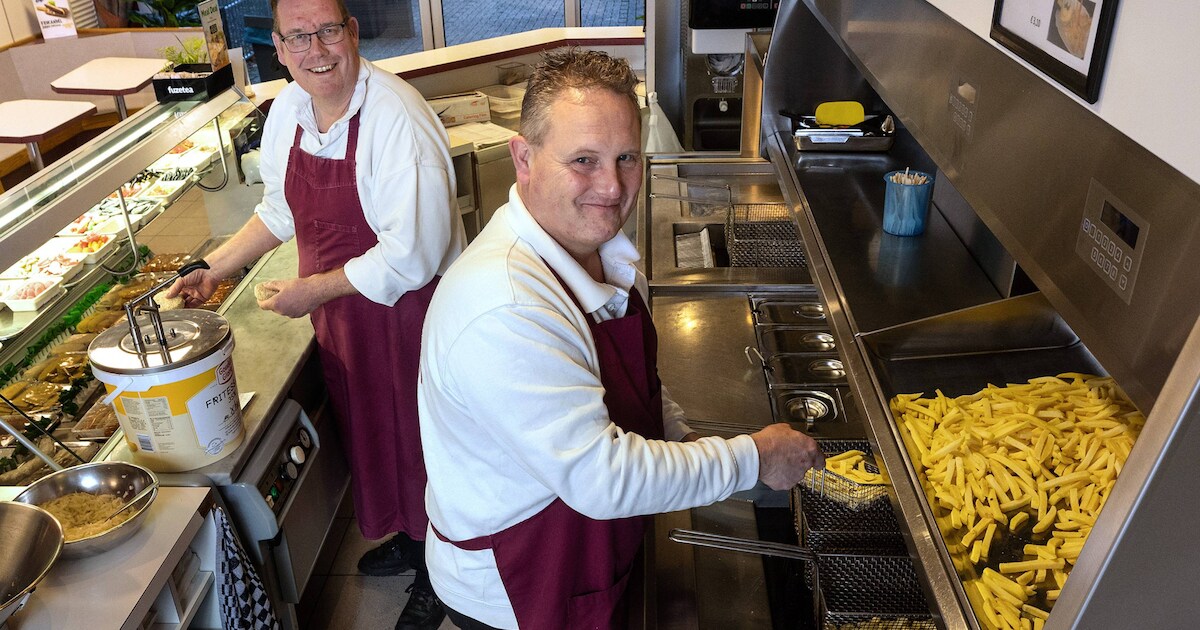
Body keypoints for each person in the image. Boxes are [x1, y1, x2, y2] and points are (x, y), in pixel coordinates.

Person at [417, 48, 825, 630]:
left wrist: (683, 436)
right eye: (583, 160)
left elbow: (628, 385)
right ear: (524, 158)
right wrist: (751, 458)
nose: (611, 187)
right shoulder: (504, 305)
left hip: (584, 542)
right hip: (521, 581)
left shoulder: (594, 250)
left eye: (626, 157)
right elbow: (601, 478)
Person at [167, 0, 464, 627]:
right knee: (376, 435)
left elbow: (412, 256)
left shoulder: (397, 119)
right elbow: (280, 211)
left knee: (427, 445)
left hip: (413, 316)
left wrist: (313, 291)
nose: (317, 51)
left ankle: (445, 576)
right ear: (278, 47)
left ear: (352, 32)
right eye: (299, 37)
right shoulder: (289, 110)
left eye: (328, 31)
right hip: (345, 317)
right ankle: (414, 541)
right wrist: (214, 269)